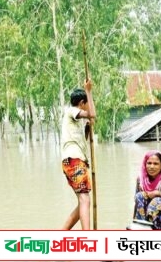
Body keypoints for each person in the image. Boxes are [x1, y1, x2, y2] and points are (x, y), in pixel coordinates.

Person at [60, 78, 95, 230]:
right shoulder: (71, 111)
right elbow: (92, 114)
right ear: (81, 103)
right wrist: (88, 90)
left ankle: (62, 232)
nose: (88, 107)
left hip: (74, 160)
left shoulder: (72, 121)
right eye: (87, 103)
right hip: (74, 160)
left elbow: (82, 139)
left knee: (82, 201)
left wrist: (87, 128)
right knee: (85, 199)